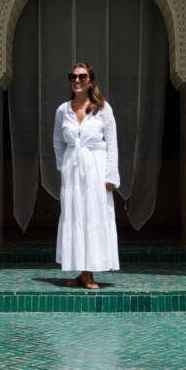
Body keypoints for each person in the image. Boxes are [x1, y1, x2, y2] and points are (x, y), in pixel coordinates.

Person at [53, 61, 120, 289]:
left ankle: (89, 272)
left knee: (93, 216)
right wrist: (64, 166)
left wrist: (111, 175)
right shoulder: (62, 110)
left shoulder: (103, 109)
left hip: (96, 169)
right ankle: (81, 272)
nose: (77, 80)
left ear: (91, 81)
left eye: (82, 77)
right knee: (75, 216)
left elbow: (112, 144)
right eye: (73, 77)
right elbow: (57, 142)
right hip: (73, 171)